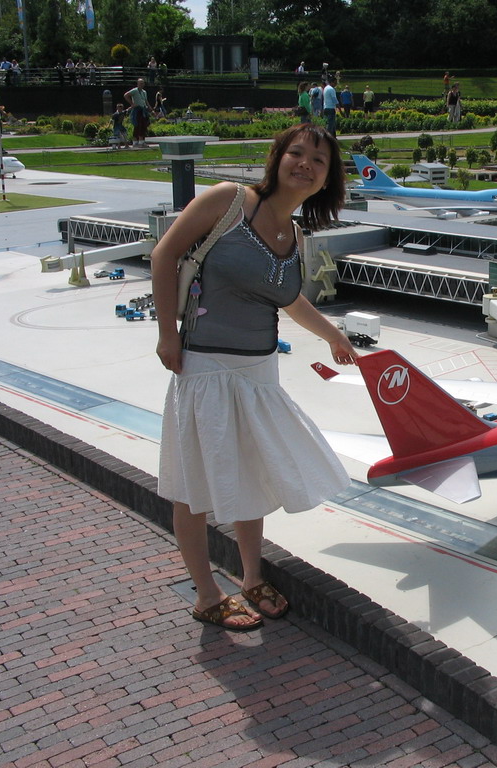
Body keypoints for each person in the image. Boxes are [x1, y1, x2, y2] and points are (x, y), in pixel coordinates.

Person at [151, 123, 358, 632]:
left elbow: (286, 299)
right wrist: (167, 335)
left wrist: (333, 335)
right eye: (297, 152)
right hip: (205, 366)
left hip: (260, 372)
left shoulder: (295, 235)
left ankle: (250, 576)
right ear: (277, 157)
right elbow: (164, 254)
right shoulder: (229, 202)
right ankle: (205, 593)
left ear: (326, 180)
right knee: (192, 484)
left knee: (252, 474)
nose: (305, 163)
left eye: (318, 160)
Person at [124, 78, 152, 148]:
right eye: (140, 83)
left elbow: (146, 101)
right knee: (137, 125)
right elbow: (126, 95)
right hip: (137, 110)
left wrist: (150, 108)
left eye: (142, 83)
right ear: (137, 84)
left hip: (143, 109)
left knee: (144, 125)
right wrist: (132, 104)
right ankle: (135, 142)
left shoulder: (144, 92)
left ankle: (141, 141)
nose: (142, 85)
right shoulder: (135, 91)